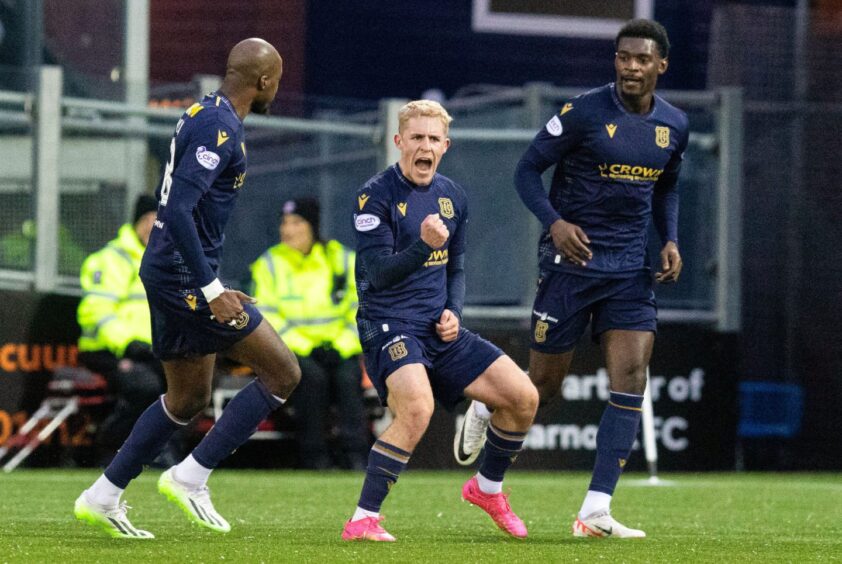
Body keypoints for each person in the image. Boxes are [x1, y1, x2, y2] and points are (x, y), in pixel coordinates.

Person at [454, 19, 687, 539]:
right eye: (623, 57)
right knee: (542, 388)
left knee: (630, 381)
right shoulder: (583, 111)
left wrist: (669, 239)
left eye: (642, 59)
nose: (630, 66)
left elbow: (668, 185)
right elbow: (525, 170)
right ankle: (488, 445)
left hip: (629, 271)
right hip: (571, 268)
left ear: (660, 65)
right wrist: (555, 224)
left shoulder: (674, 125)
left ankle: (595, 510)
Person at [74, 38, 300, 540]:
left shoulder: (207, 112)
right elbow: (175, 210)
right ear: (263, 81)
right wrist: (212, 286)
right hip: (183, 276)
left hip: (169, 269)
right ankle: (190, 476)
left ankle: (103, 495)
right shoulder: (219, 125)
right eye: (277, 80)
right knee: (282, 372)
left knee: (188, 397)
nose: (277, 89)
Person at [341, 100, 539, 542]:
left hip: (438, 329)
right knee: (417, 408)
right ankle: (362, 519)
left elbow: (457, 268)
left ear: (445, 146)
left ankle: (487, 489)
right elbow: (377, 272)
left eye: (433, 139)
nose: (424, 146)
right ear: (399, 142)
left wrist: (455, 311)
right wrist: (421, 248)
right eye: (416, 138)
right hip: (388, 325)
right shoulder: (374, 196)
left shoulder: (453, 196)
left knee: (524, 397)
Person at [250, 197, 369, 469]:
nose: (287, 229)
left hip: (338, 347)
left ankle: (356, 456)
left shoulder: (340, 259)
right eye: (284, 222)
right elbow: (266, 314)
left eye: (296, 222)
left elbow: (360, 307)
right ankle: (314, 456)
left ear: (312, 226)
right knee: (311, 379)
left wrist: (339, 345)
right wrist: (305, 346)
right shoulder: (269, 264)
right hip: (293, 351)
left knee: (348, 377)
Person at [76, 194, 184, 465]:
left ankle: (165, 450)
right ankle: (109, 446)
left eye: (158, 220)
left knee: (191, 385)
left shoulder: (168, 259)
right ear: (135, 222)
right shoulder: (111, 259)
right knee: (145, 385)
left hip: (152, 350)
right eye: (146, 219)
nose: (152, 226)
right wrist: (128, 344)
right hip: (107, 350)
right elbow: (97, 313)